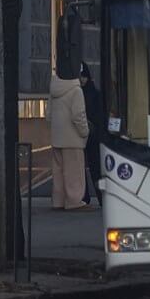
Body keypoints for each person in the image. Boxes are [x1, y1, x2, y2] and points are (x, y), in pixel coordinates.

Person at [48, 60, 90, 210]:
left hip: (57, 137)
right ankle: (74, 201)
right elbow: (78, 115)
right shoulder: (76, 90)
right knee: (74, 173)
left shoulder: (53, 89)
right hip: (73, 139)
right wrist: (85, 132)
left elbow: (48, 115)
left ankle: (58, 201)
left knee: (58, 173)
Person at [79, 62, 105, 206]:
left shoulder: (91, 93)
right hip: (86, 133)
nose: (82, 79)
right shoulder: (89, 92)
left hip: (91, 135)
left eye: (83, 76)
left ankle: (98, 197)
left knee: (94, 168)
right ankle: (86, 196)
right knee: (84, 168)